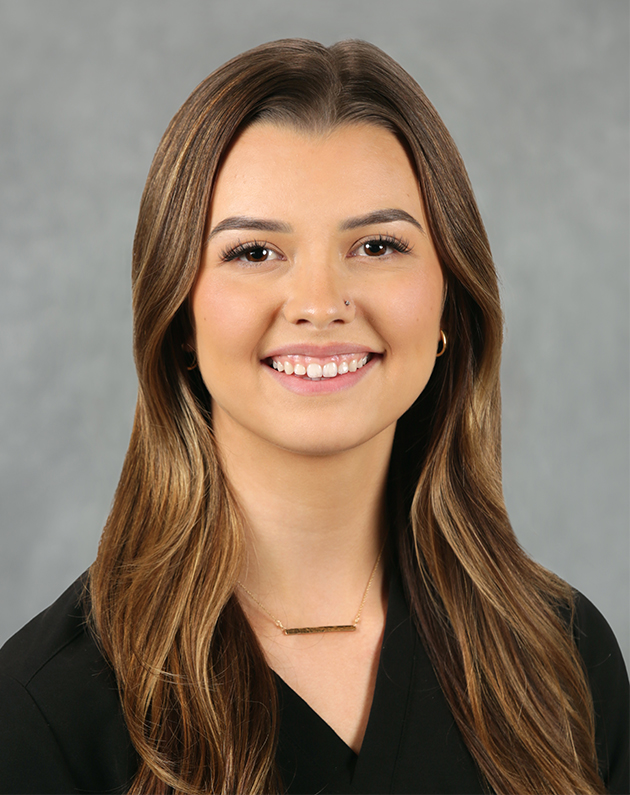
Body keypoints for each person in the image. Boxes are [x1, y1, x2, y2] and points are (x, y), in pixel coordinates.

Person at [0, 38, 627, 795]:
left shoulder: (561, 656)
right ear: (180, 320)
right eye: (255, 252)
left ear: (448, 307)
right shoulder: (44, 711)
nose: (321, 304)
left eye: (376, 244)